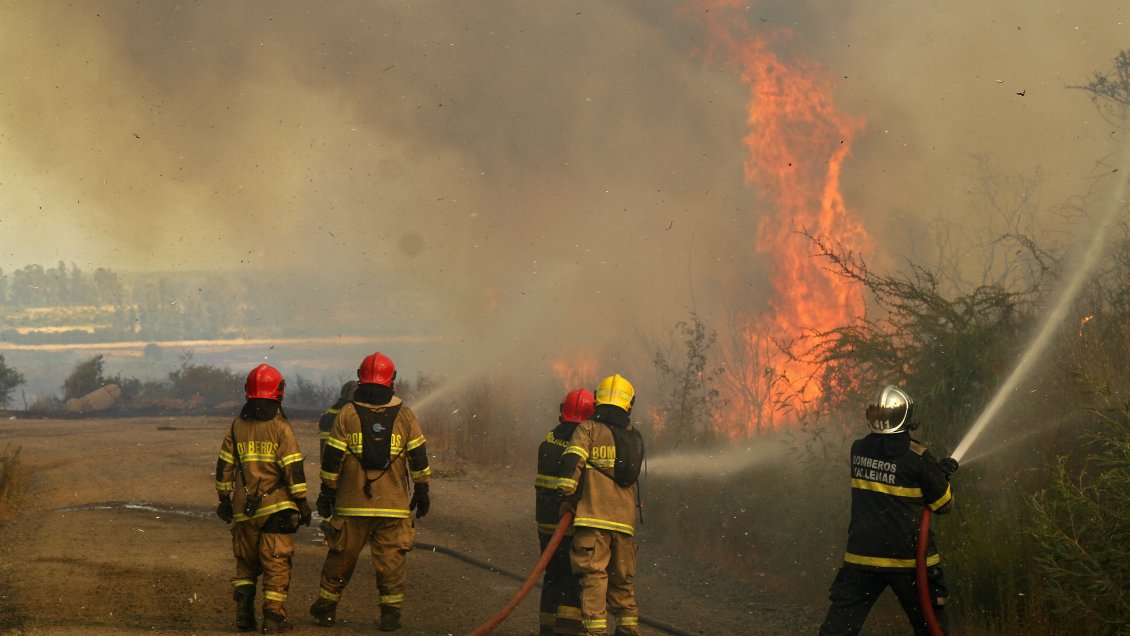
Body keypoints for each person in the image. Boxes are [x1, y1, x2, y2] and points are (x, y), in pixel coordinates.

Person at [819, 384, 955, 636]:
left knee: (839, 628)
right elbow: (943, 505)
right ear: (907, 417)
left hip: (862, 557)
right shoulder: (919, 458)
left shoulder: (858, 450)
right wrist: (940, 475)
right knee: (930, 627)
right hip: (909, 560)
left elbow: (887, 466)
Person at [309, 352, 431, 632]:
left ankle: (326, 610)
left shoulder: (346, 414)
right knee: (391, 562)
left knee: (341, 558)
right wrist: (422, 488)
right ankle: (390, 615)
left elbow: (332, 460)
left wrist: (327, 493)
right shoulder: (406, 415)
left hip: (352, 504)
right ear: (393, 379)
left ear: (360, 378)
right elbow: (419, 456)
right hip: (394, 505)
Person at [214, 363, 312, 633]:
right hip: (277, 507)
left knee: (245, 563)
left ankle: (244, 616)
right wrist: (302, 502)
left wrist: (224, 498)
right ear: (279, 391)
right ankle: (273, 619)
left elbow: (224, 466)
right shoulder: (281, 428)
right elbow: (293, 468)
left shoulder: (237, 425)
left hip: (243, 508)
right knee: (276, 563)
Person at [557, 374, 645, 636]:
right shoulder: (634, 438)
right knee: (622, 582)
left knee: (594, 577)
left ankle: (595, 633)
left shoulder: (588, 429)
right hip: (624, 524)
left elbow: (572, 462)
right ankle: (629, 629)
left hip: (594, 519)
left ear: (598, 401)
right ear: (629, 405)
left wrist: (565, 494)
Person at [535, 388, 595, 635]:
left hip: (546, 522)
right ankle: (566, 631)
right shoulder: (582, 439)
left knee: (552, 576)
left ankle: (546, 629)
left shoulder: (549, 438)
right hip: (568, 523)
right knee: (573, 579)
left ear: (563, 411)